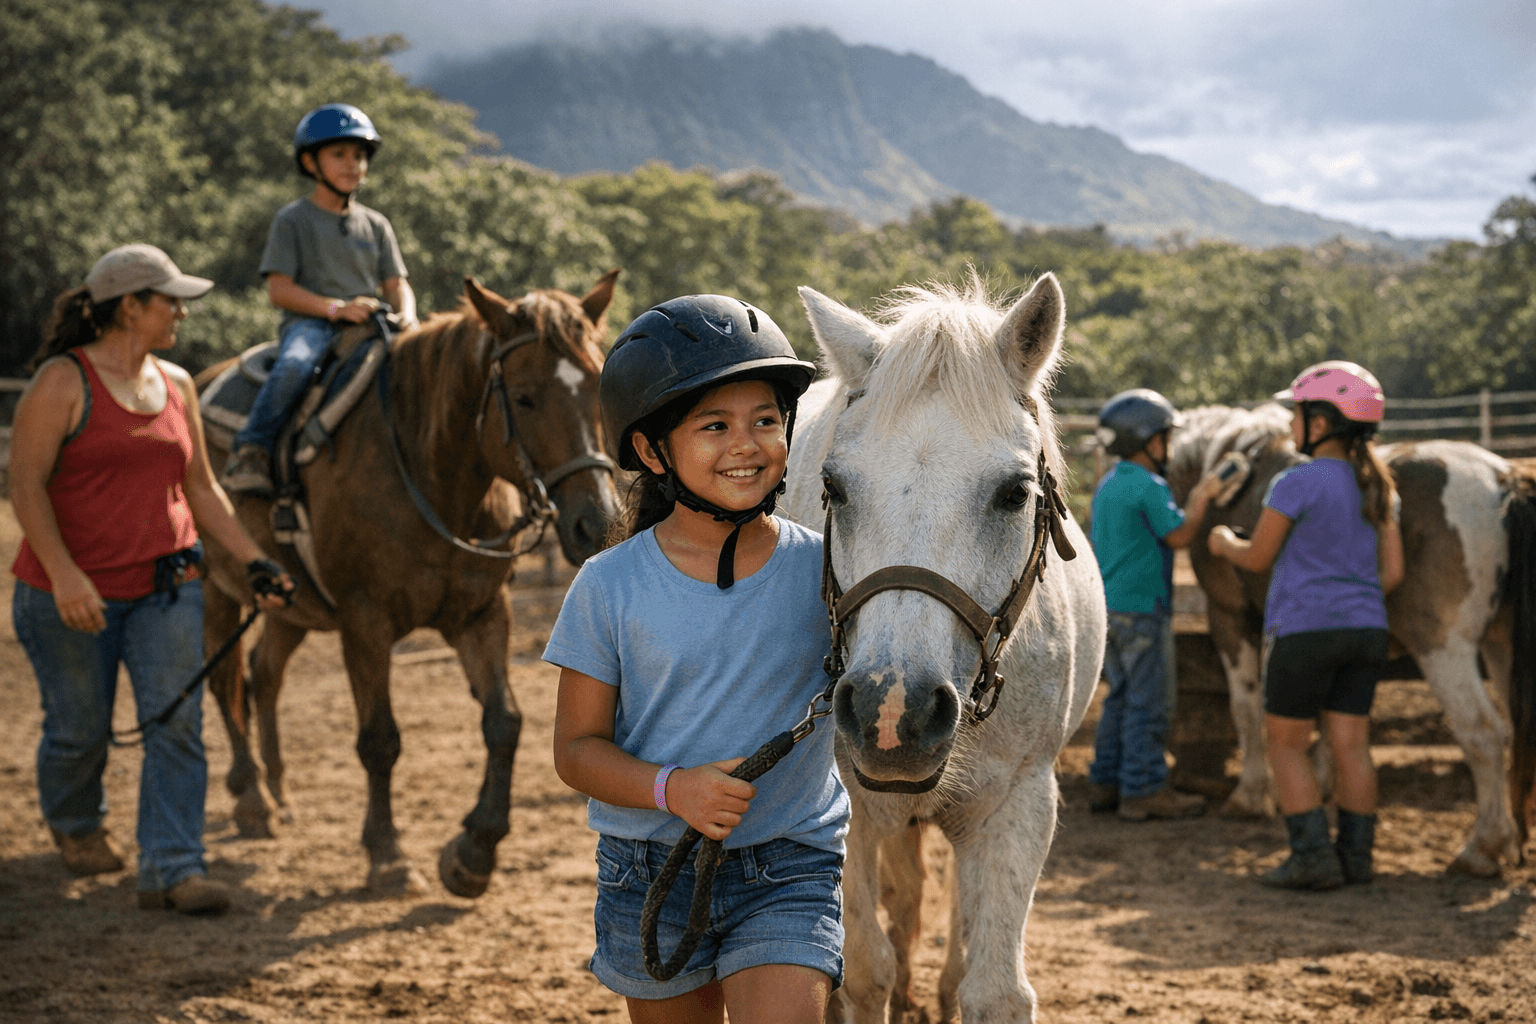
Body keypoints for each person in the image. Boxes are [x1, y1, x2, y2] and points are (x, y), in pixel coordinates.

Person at [546, 295, 849, 1024]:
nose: (747, 445)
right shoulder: (608, 585)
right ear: (653, 452)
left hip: (791, 861)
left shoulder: (833, 571)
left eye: (766, 421)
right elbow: (576, 750)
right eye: (715, 426)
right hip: (650, 868)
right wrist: (672, 788)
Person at [10, 244, 295, 914]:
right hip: (69, 593)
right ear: (129, 306)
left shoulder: (177, 383)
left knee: (177, 725)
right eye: (170, 301)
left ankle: (173, 866)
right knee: (79, 732)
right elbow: (24, 486)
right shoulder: (62, 382)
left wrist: (254, 559)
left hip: (168, 588)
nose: (181, 314)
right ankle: (77, 822)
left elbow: (200, 486)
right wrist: (66, 576)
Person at [1208, 361, 1404, 890]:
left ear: (1320, 423)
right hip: (1367, 631)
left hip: (1303, 633)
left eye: (1296, 414)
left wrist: (1225, 543)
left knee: (1287, 744)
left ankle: (1313, 857)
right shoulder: (1381, 489)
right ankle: (1357, 858)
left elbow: (1258, 557)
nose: (1291, 424)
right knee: (1351, 745)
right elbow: (1392, 574)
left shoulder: (1295, 482)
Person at [220, 102, 416, 497]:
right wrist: (336, 309)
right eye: (339, 154)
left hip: (372, 322)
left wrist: (409, 319)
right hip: (313, 324)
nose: (352, 164)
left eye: (359, 155)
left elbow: (396, 285)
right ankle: (251, 449)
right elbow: (279, 290)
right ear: (310, 163)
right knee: (295, 365)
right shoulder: (293, 219)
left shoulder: (376, 224)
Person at [1088, 388, 1226, 821]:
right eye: (1164, 437)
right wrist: (1202, 498)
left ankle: (1106, 783)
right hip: (1144, 611)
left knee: (1119, 700)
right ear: (1147, 440)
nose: (1168, 446)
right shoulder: (1150, 486)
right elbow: (1179, 535)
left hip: (1110, 611)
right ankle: (1144, 789)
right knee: (1149, 705)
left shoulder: (1108, 485)